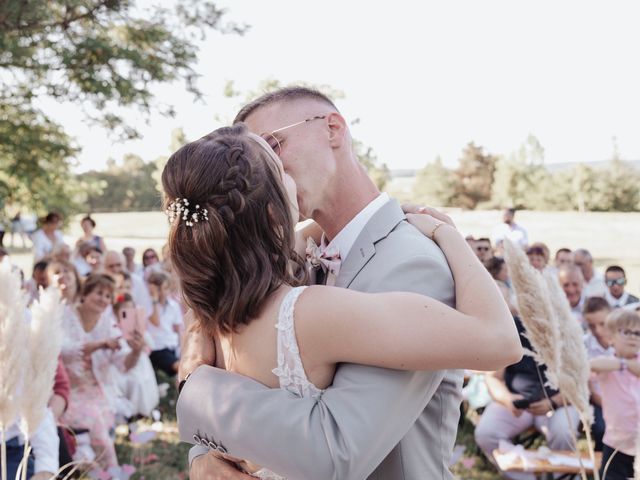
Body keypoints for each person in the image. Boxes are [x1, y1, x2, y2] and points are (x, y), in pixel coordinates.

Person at [166, 113, 520, 479]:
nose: (288, 172)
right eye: (278, 170)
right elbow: (501, 341)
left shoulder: (212, 317)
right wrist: (448, 237)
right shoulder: (310, 312)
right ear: (273, 214)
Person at [474, 315, 580, 480]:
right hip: (518, 404)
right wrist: (507, 399)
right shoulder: (511, 328)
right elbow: (493, 377)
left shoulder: (567, 328)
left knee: (563, 432)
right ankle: (526, 476)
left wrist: (553, 402)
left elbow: (579, 383)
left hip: (559, 402)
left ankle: (563, 477)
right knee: (486, 433)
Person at [59, 274, 144, 470]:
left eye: (108, 296)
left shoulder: (108, 323)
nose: (103, 299)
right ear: (85, 293)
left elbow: (123, 364)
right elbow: (62, 351)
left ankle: (97, 469)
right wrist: (99, 344)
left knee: (95, 423)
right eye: (99, 293)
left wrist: (136, 351)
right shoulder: (66, 315)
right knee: (95, 427)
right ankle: (110, 471)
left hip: (98, 391)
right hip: (68, 391)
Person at [590, 309, 640, 480]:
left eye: (637, 333)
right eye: (626, 332)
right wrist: (623, 364)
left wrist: (627, 364)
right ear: (610, 338)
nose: (633, 337)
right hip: (616, 444)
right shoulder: (608, 364)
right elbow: (592, 365)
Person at [582, 297, 614, 452]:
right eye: (592, 326)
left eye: (602, 324)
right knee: (602, 428)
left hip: (627, 398)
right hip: (599, 401)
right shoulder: (584, 344)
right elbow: (591, 392)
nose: (598, 331)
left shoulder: (624, 340)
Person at [147, 271, 183, 376]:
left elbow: (177, 329)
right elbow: (156, 322)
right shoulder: (149, 305)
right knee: (180, 368)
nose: (166, 291)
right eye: (164, 288)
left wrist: (182, 348)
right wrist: (154, 298)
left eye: (167, 288)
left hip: (172, 346)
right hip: (157, 348)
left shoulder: (174, 305)